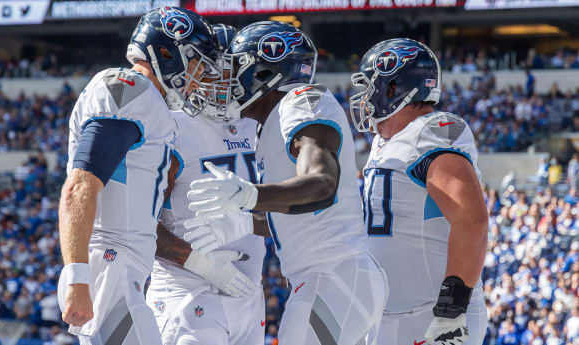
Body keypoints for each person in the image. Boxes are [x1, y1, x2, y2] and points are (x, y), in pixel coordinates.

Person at [184, 21, 388, 345]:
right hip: (335, 278)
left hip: (333, 277)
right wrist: (244, 223)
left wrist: (251, 195)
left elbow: (321, 184)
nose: (228, 79)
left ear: (265, 73)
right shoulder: (271, 125)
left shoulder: (299, 101)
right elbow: (298, 209)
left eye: (236, 68)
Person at [56, 6, 219, 345]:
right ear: (166, 53)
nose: (200, 75)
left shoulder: (150, 102)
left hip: (119, 264)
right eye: (196, 63)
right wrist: (77, 278)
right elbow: (80, 185)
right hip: (109, 261)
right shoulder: (130, 89)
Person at [348, 38, 488, 345]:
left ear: (393, 88)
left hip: (432, 317)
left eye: (370, 86)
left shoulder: (432, 130)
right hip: (387, 317)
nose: (363, 98)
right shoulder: (385, 141)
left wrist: (452, 309)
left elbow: (472, 220)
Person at [144, 24, 267, 345]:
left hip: (250, 293)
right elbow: (136, 222)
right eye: (211, 69)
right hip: (185, 292)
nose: (223, 79)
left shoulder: (258, 125)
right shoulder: (173, 126)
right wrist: (199, 262)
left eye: (232, 69)